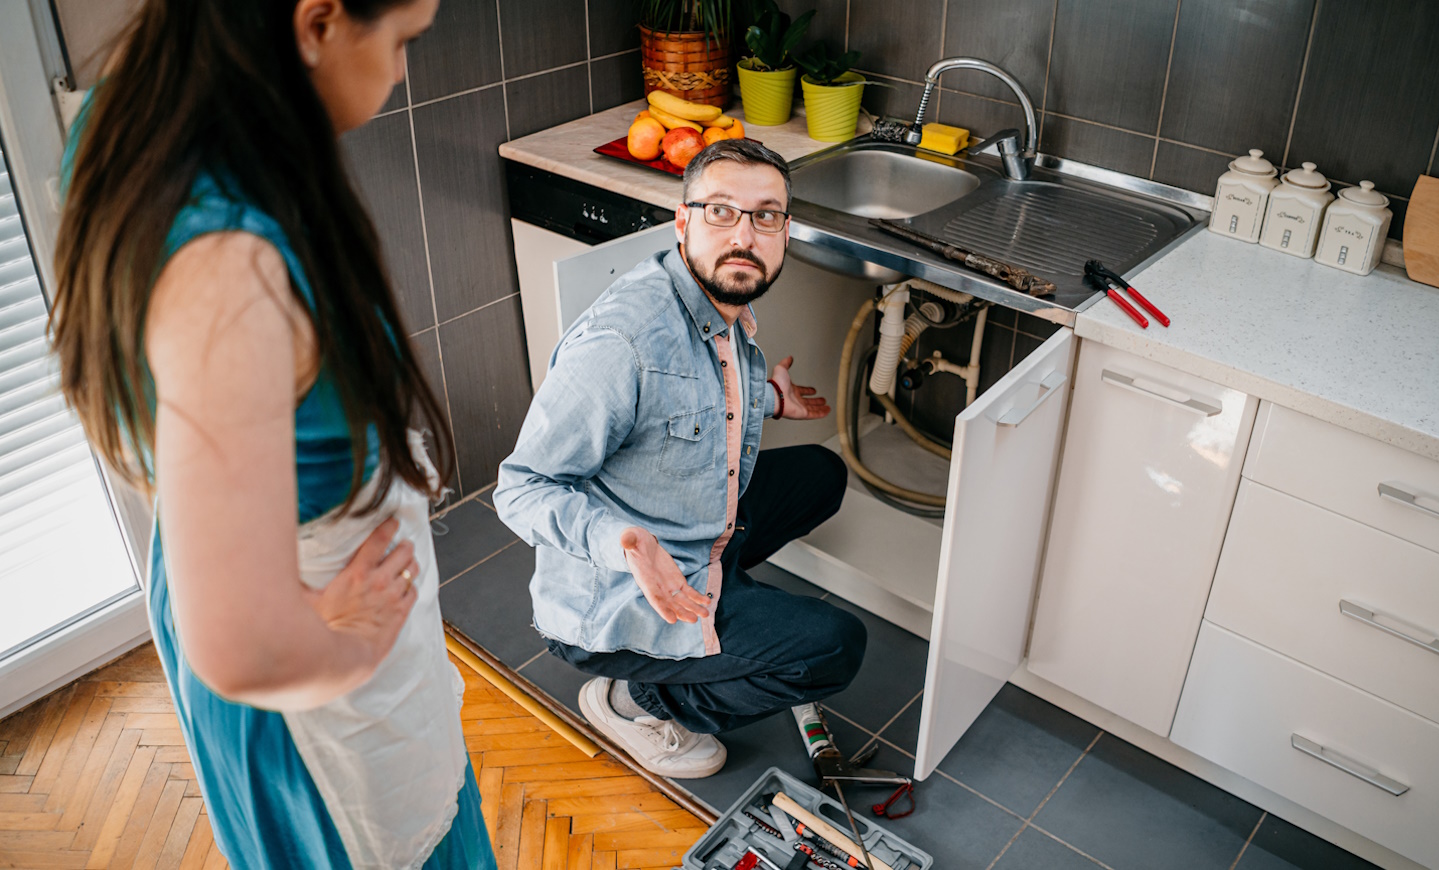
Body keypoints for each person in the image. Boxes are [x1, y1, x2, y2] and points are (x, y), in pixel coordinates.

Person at [50, 1, 496, 866]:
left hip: (299, 617)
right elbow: (239, 647)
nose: (403, 69)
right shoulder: (227, 267)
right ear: (317, 21)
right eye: (402, 39)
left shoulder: (136, 118)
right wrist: (354, 638)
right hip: (315, 696)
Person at [494, 139, 868, 779]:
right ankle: (640, 698)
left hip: (687, 539)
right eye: (721, 211)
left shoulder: (720, 303)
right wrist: (627, 544)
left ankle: (723, 599)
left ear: (784, 231)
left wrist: (766, 402)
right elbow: (521, 488)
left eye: (766, 215)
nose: (744, 235)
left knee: (820, 476)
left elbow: (687, 404)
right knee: (835, 647)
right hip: (617, 595)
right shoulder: (625, 339)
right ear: (683, 220)